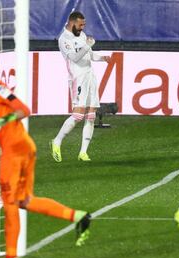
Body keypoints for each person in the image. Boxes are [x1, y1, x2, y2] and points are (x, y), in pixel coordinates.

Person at [0, 54, 91, 258]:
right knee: (25, 201)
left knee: (10, 204)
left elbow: (24, 110)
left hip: (14, 152)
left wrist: (3, 120)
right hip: (24, 148)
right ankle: (78, 216)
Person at [50, 11, 110, 162]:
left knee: (91, 115)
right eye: (80, 24)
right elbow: (75, 58)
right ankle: (57, 141)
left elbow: (89, 55)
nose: (83, 27)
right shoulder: (64, 39)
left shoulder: (81, 35)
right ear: (72, 22)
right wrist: (88, 45)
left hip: (90, 77)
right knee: (78, 115)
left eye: (84, 24)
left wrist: (102, 58)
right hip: (78, 78)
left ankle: (83, 152)